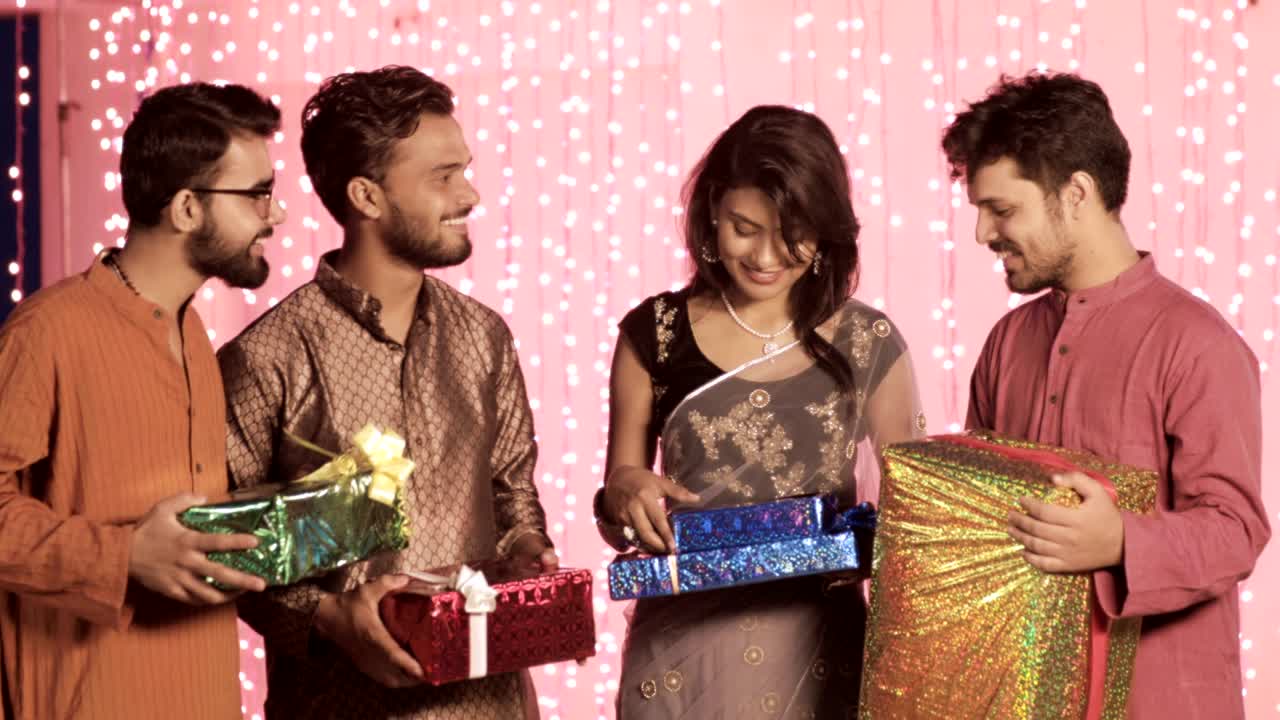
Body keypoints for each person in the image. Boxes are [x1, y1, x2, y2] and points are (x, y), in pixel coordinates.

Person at [219, 65, 554, 719]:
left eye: (465, 169)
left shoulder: (484, 337)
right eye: (443, 177)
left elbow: (513, 501)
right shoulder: (266, 357)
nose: (470, 194)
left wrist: (535, 568)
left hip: (490, 705)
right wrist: (325, 615)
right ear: (367, 197)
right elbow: (226, 548)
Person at [946, 71, 1269, 719]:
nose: (982, 234)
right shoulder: (1007, 344)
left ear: (1077, 194)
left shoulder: (1196, 343)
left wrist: (1121, 542)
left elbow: (1237, 532)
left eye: (1002, 210)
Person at [593, 105, 924, 719]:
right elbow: (618, 506)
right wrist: (624, 492)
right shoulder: (656, 335)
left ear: (826, 228)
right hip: (682, 660)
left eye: (791, 232)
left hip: (823, 652)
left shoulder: (867, 342)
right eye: (745, 227)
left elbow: (915, 522)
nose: (767, 255)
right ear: (713, 209)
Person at [0, 82, 284, 720]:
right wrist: (123, 555)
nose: (277, 213)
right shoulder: (47, 332)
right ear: (187, 207)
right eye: (258, 194)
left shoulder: (193, 334)